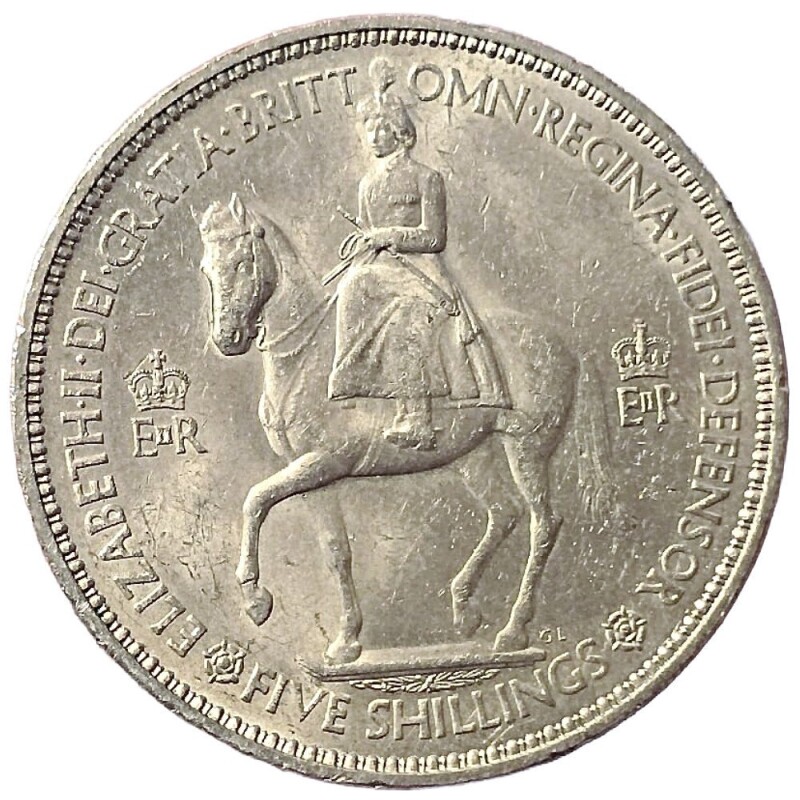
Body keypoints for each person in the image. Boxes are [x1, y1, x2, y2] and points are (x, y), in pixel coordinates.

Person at [327, 59, 506, 450]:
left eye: (381, 127)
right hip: (380, 269)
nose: (373, 135)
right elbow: (368, 231)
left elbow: (434, 237)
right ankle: (355, 381)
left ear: (400, 132)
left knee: (407, 317)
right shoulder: (367, 184)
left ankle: (418, 417)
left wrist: (388, 235)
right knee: (350, 288)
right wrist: (364, 244)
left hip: (420, 270)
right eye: (368, 127)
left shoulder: (427, 178)